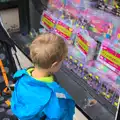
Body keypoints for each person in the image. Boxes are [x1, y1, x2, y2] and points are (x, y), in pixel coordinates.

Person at [11, 33, 75, 120]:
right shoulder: (55, 96)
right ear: (54, 64)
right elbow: (63, 115)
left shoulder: (20, 77)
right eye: (62, 61)